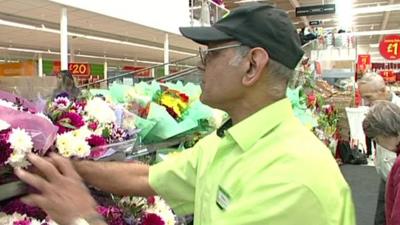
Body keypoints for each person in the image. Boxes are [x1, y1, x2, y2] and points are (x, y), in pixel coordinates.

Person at [15, 4, 356, 225]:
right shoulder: (231, 141)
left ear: (252, 65)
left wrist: (81, 217)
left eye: (211, 54)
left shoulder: (290, 179)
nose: (200, 65)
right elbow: (145, 178)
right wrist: (61, 164)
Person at [357, 73, 399, 225]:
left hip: (396, 173)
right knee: (382, 216)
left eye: (368, 97)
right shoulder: (377, 108)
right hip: (386, 176)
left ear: (383, 90)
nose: (366, 103)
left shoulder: (397, 110)